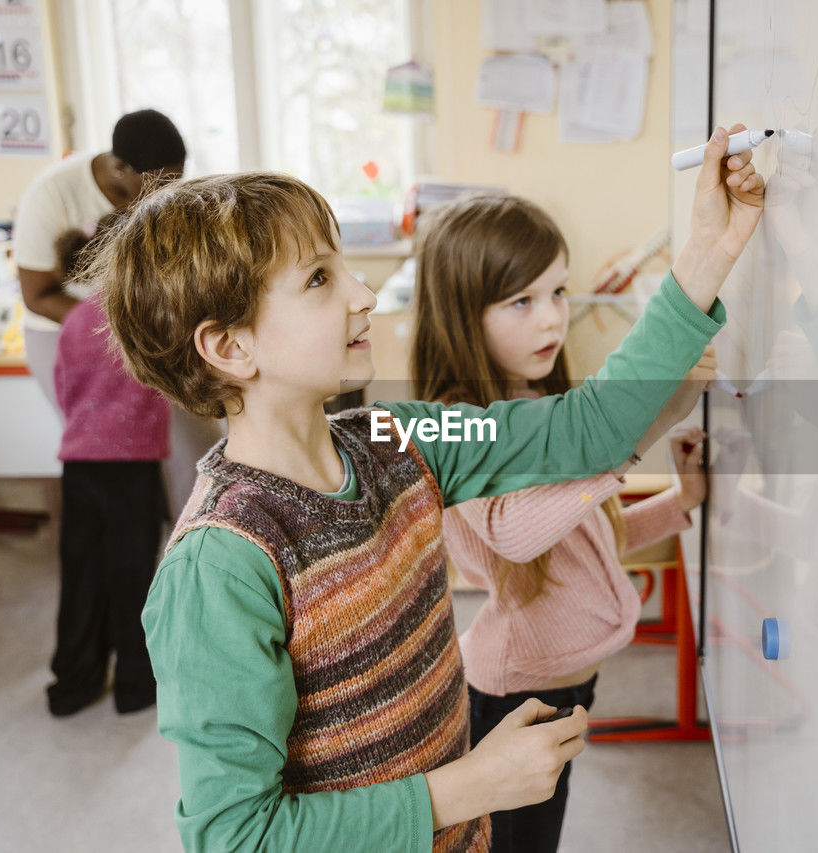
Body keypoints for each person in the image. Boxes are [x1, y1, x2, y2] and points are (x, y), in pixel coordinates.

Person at [88, 123, 763, 851]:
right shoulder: (219, 564)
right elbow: (236, 836)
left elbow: (581, 431)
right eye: (319, 278)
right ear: (229, 346)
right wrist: (475, 785)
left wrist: (708, 249)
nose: (365, 293)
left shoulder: (403, 439)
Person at [411, 193, 712, 852]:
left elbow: (593, 540)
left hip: (565, 687)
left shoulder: (538, 403)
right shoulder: (454, 424)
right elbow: (520, 531)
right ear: (464, 314)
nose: (552, 318)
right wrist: (636, 435)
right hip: (508, 698)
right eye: (521, 301)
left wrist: (678, 503)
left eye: (557, 291)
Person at [13, 108, 220, 524]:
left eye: (174, 181)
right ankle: (133, 563)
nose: (167, 192)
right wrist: (125, 324)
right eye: (158, 184)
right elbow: (37, 295)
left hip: (151, 332)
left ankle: (196, 539)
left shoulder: (162, 190)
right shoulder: (53, 193)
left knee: (195, 442)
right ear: (118, 167)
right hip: (69, 337)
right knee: (116, 457)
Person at [45, 219, 170, 716]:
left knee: (81, 575)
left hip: (79, 465)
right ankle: (135, 686)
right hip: (131, 468)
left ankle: (73, 683)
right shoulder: (141, 318)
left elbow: (63, 390)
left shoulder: (75, 320)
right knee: (134, 576)